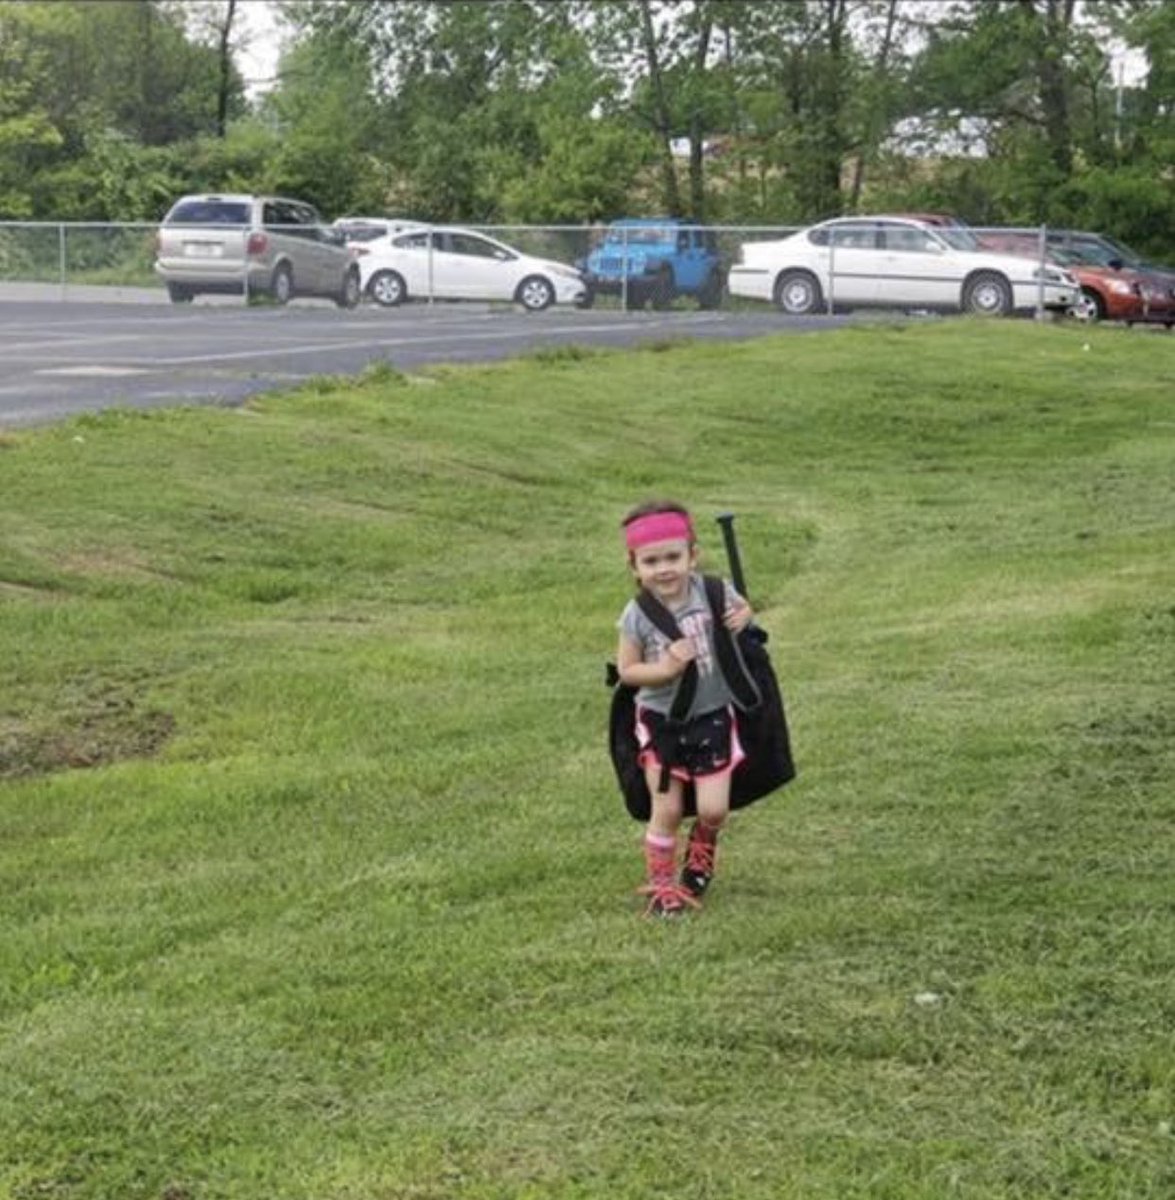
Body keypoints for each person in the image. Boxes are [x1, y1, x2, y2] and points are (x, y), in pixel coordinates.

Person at [615, 500, 754, 916]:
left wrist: (743, 615)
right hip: (663, 722)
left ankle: (703, 846)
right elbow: (627, 671)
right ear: (635, 566)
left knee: (714, 809)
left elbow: (741, 609)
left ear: (692, 555)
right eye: (651, 561)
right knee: (669, 809)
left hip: (713, 714)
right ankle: (662, 889)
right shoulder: (637, 615)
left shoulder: (712, 591)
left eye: (673, 557)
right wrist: (666, 668)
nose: (664, 569)